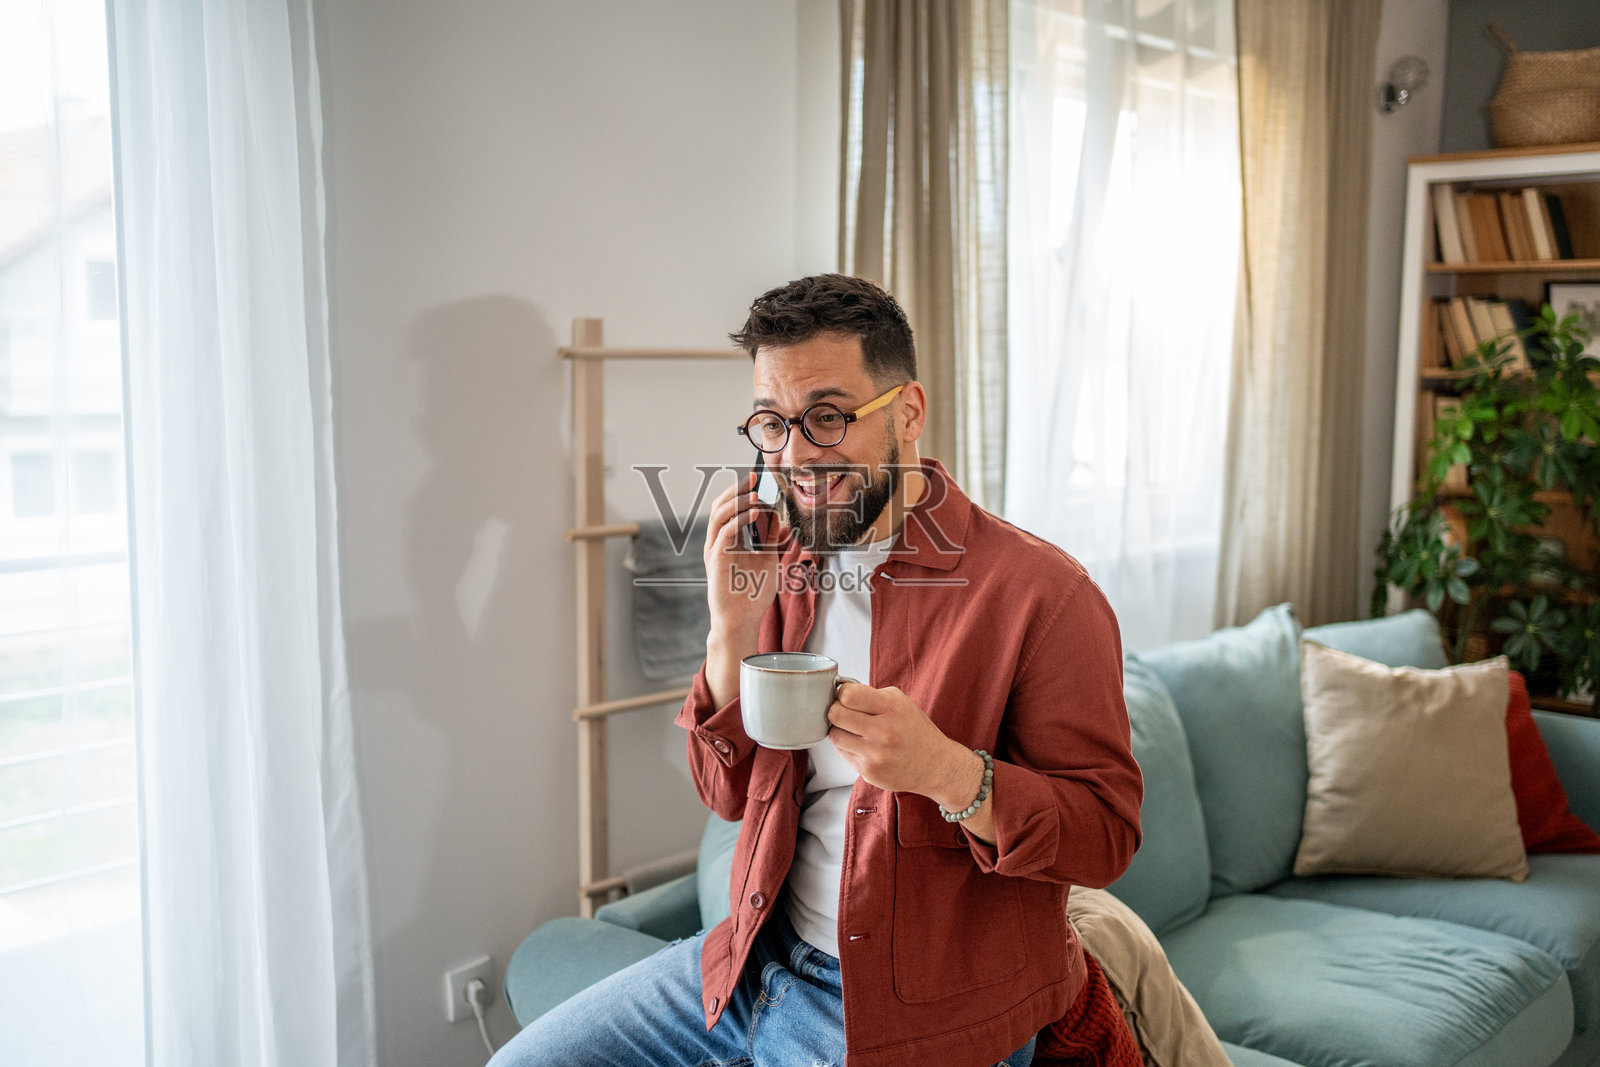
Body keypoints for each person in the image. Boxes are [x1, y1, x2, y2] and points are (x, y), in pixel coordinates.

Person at [491, 274, 1142, 1067]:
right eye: (772, 422)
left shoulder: (1042, 594)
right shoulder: (778, 561)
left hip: (914, 1014)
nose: (796, 454)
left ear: (908, 412)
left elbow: (1106, 836)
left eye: (828, 417)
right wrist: (730, 631)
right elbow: (725, 792)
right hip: (750, 965)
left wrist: (947, 772)